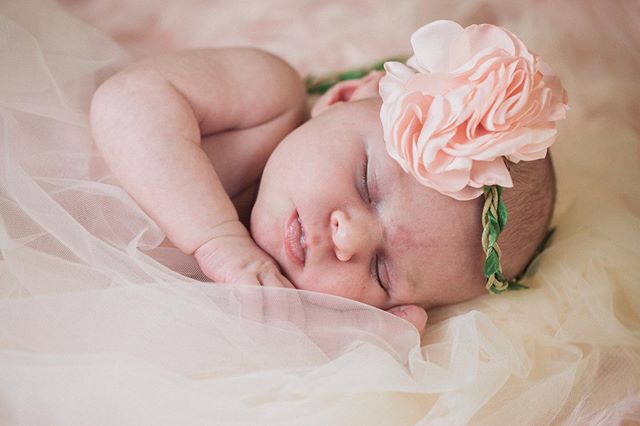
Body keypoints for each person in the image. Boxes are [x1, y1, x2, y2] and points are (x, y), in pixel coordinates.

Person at [90, 21, 567, 332]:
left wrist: (353, 335)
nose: (348, 239)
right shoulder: (269, 98)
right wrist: (217, 240)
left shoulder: (277, 290)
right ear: (340, 99)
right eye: (367, 183)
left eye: (381, 273)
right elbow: (128, 102)